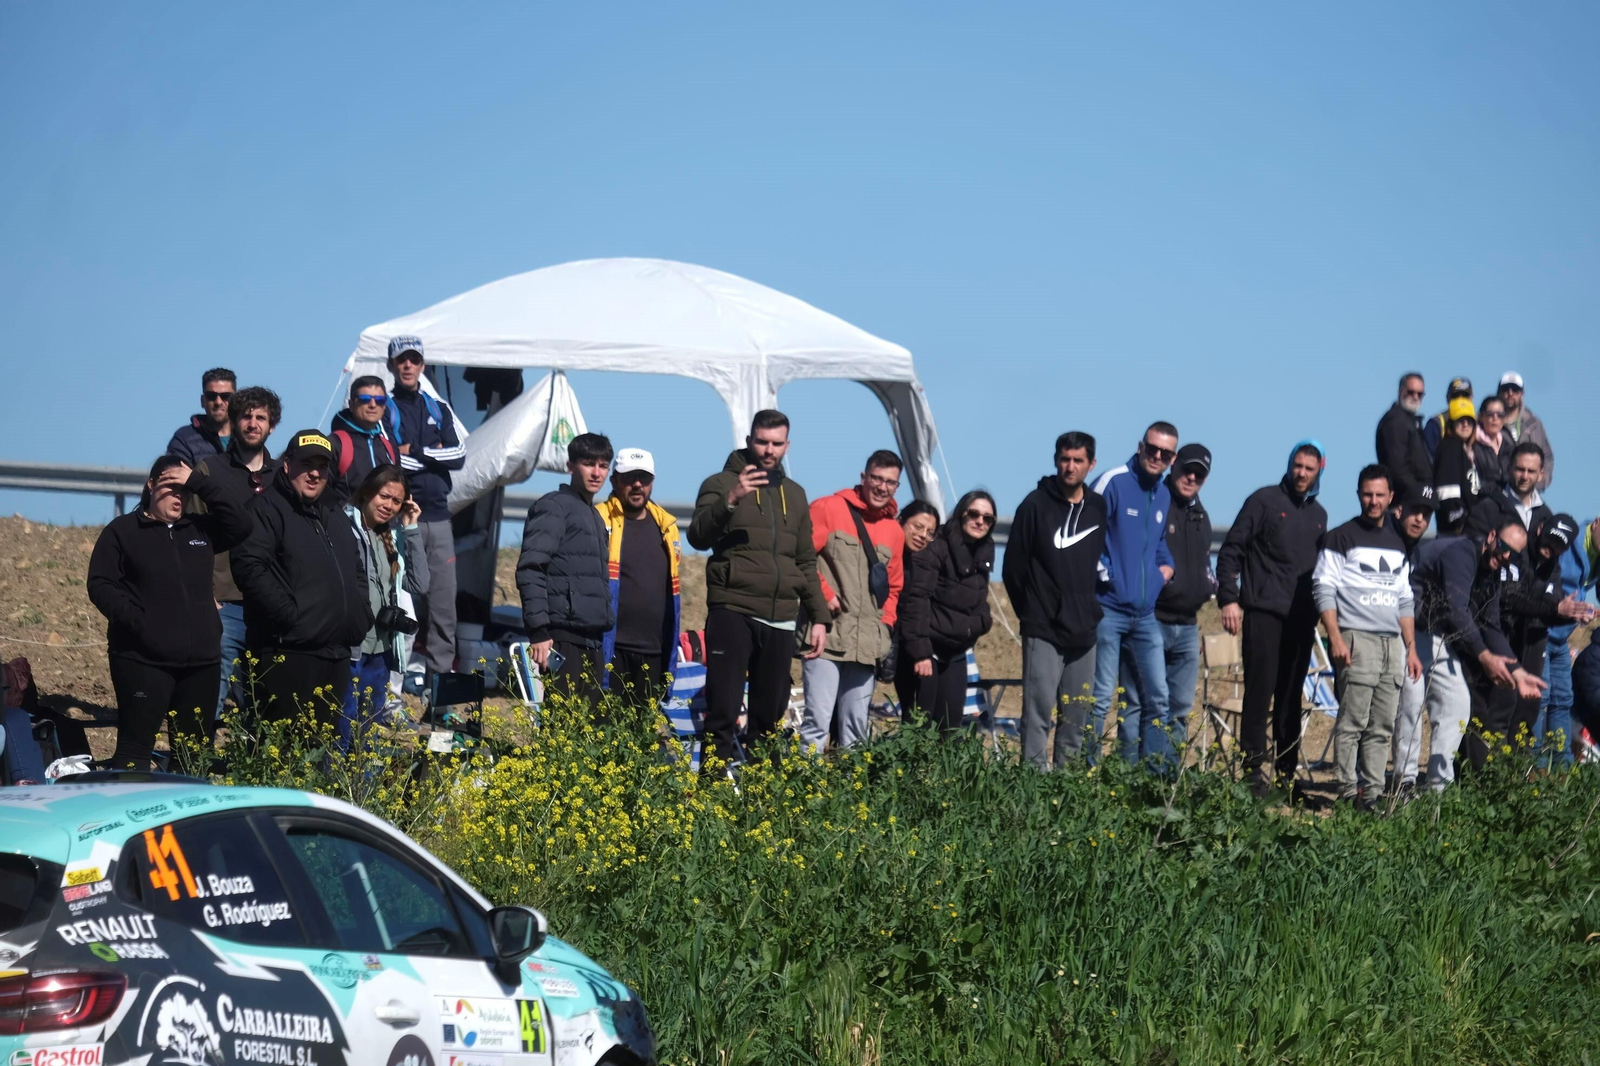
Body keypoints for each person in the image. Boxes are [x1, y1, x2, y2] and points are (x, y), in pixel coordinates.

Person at [687, 410, 830, 774]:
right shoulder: (720, 482)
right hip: (733, 609)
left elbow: (805, 561)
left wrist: (819, 617)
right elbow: (698, 536)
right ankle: (711, 798)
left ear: (787, 445)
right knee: (723, 710)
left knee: (768, 719)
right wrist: (731, 499)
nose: (769, 450)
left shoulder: (795, 495)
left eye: (776, 443)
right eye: (762, 442)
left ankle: (761, 804)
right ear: (749, 440)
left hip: (781, 617)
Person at [88, 455, 252, 769]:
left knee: (192, 760)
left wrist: (199, 482)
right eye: (171, 487)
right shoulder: (123, 531)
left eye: (184, 490)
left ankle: (183, 819)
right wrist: (140, 623)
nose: (179, 496)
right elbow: (101, 584)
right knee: (134, 755)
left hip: (201, 664)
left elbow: (242, 523)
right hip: (142, 661)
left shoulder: (199, 530)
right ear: (150, 485)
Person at [230, 430, 372, 727]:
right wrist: (291, 618)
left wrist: (359, 616)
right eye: (307, 464)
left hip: (335, 654)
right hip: (287, 653)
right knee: (284, 754)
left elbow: (357, 570)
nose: (314, 473)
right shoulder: (265, 509)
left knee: (320, 757)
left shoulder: (334, 514)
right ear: (286, 465)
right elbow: (250, 568)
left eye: (322, 466)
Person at [1217, 441, 1328, 796]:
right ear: (1289, 465)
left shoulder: (1319, 516)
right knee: (1259, 694)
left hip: (1301, 620)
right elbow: (1231, 550)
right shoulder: (1263, 501)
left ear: (1319, 472)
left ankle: (1285, 776)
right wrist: (1229, 599)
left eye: (1309, 469)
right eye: (1297, 465)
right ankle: (1252, 774)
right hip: (1263, 612)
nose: (1301, 473)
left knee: (1290, 699)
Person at [1410, 507, 1547, 789]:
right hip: (1407, 629)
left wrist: (1517, 670)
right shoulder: (1462, 553)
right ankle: (1404, 783)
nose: (1506, 556)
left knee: (1457, 704)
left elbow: (1491, 624)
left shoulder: (1493, 569)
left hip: (1435, 635)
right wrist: (1484, 657)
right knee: (1409, 709)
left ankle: (1438, 788)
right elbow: (1456, 610)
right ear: (1492, 536)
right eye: (1504, 548)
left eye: (1513, 554)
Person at [1312, 464, 1421, 809]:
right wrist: (1336, 637)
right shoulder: (1341, 537)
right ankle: (1347, 791)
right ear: (1359, 495)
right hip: (1356, 639)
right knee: (1353, 721)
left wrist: (1412, 648)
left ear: (1391, 498)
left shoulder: (1398, 544)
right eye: (1367, 494)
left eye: (1379, 495)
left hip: (1393, 646)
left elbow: (1405, 599)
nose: (1373, 501)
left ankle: (1371, 796)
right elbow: (1323, 588)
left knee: (1382, 726)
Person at [1002, 431, 1108, 769]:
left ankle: (1067, 795)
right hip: (1043, 629)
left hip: (1084, 632)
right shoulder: (1034, 505)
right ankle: (1030, 794)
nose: (1070, 466)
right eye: (1065, 459)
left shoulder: (1097, 507)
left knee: (1076, 719)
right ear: (1055, 460)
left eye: (1078, 460)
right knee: (1037, 716)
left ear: (1091, 464)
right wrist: (1033, 614)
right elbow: (1013, 570)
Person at [799, 451, 907, 752]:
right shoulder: (827, 508)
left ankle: (848, 796)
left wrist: (884, 628)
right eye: (876, 478)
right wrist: (825, 595)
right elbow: (802, 558)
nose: (882, 487)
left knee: (856, 731)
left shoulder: (895, 531)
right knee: (817, 724)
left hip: (867, 645)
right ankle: (803, 795)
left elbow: (895, 588)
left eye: (890, 482)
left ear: (897, 487)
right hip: (826, 636)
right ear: (863, 478)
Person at [1118, 443, 1216, 762]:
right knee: (1138, 702)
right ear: (1173, 465)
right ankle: (1129, 776)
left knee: (1179, 709)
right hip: (1151, 619)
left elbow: (1204, 566)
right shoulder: (1155, 503)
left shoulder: (1201, 516)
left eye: (1199, 474)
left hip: (1187, 626)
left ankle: (1165, 781)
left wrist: (1205, 591)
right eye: (1187, 469)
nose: (1191, 477)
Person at [1090, 423, 1179, 767]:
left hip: (1145, 616)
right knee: (1100, 699)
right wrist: (1107, 575)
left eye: (1166, 453)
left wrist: (1164, 572)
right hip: (1108, 610)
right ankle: (1086, 775)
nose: (1157, 456)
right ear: (1141, 446)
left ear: (1172, 458)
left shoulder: (1164, 494)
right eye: (1152, 448)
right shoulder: (1112, 482)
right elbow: (1086, 533)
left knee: (1158, 699)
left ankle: (1150, 779)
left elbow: (1158, 545)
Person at [191, 385, 281, 721]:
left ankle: (252, 773)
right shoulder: (209, 471)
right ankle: (193, 769)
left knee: (261, 707)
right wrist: (205, 595)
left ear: (272, 425)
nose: (253, 423)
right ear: (234, 420)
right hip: (223, 602)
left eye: (261, 417)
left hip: (268, 606)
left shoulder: (283, 475)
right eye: (246, 416)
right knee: (210, 697)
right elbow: (190, 536)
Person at [382, 336, 465, 679]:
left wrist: (416, 451)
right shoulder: (383, 407)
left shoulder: (438, 407)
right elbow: (390, 459)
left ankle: (440, 696)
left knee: (444, 608)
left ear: (422, 366)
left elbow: (459, 456)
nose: (408, 366)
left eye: (414, 360)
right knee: (400, 604)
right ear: (392, 366)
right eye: (402, 360)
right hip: (399, 520)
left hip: (440, 518)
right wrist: (433, 454)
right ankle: (391, 690)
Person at [516, 433, 616, 705]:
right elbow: (531, 568)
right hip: (562, 638)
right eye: (588, 463)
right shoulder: (554, 506)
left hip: (592, 637)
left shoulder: (594, 516)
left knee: (585, 733)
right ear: (571, 466)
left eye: (603, 465)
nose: (597, 472)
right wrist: (539, 631)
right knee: (561, 724)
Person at [342, 466, 428, 750]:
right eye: (384, 496)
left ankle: (362, 792)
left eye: (396, 501)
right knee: (343, 729)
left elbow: (419, 583)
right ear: (367, 491)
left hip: (380, 650)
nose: (389, 506)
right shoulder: (343, 526)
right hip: (349, 648)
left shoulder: (389, 536)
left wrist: (411, 527)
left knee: (366, 734)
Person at [896, 491, 995, 735]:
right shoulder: (936, 546)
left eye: (987, 518)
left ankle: (943, 775)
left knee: (950, 731)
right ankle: (907, 773)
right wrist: (920, 652)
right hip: (925, 652)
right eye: (973, 514)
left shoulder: (983, 553)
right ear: (961, 514)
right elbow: (916, 598)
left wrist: (981, 623)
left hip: (956, 652)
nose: (980, 521)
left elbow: (978, 600)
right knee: (918, 727)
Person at [596, 448, 682, 708]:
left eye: (643, 478)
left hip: (653, 651)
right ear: (614, 481)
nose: (637, 485)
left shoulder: (667, 527)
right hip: (611, 649)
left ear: (652, 482)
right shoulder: (597, 519)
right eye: (629, 477)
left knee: (641, 736)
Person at [1535, 514, 1598, 767]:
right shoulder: (1568, 542)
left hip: (1562, 637)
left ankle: (1562, 767)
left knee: (1563, 699)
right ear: (1597, 523)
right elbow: (1542, 580)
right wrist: (1562, 605)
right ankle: (1535, 765)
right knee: (1542, 699)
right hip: (1541, 632)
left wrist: (1585, 610)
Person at [1389, 486, 1438, 796]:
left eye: (1427, 514)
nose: (1420, 519)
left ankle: (1406, 778)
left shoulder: (1421, 550)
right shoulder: (1386, 540)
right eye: (1415, 511)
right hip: (1377, 635)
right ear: (1398, 510)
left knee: (1413, 698)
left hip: (1410, 638)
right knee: (1405, 699)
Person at [893, 500, 943, 718]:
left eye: (930, 532)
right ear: (901, 522)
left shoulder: (920, 561)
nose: (923, 535)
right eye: (918, 527)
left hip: (905, 643)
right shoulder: (889, 555)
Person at [330, 375, 398, 501]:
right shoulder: (336, 444)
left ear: (384, 407)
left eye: (380, 400)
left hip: (385, 520)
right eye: (365, 399)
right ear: (351, 404)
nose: (373, 405)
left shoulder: (388, 446)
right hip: (345, 519)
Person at [1432, 398, 1496, 533]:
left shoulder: (1467, 450)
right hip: (1455, 532)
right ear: (1451, 424)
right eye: (1460, 420)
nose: (1465, 424)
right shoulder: (1450, 446)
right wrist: (1460, 524)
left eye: (1469, 420)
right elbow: (1446, 492)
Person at [1375, 372, 1432, 500]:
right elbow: (1397, 469)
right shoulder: (1395, 422)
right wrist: (1421, 492)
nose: (1416, 397)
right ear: (1401, 391)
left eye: (1420, 394)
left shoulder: (1411, 422)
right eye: (1411, 392)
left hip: (1415, 500)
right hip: (1403, 503)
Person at [166, 368, 236, 466]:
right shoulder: (184, 438)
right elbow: (176, 477)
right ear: (202, 401)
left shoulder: (247, 437)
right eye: (211, 396)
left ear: (235, 400)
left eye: (226, 396)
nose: (218, 402)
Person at [1498, 372, 1553, 490]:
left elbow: (1547, 457)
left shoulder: (1534, 424)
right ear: (1499, 392)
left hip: (1530, 494)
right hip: (1500, 492)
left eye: (1515, 390)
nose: (1510, 393)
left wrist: (1540, 483)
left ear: (1522, 394)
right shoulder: (1490, 423)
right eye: (1506, 389)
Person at [1501, 442, 1552, 531]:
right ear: (1509, 469)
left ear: (1540, 475)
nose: (1525, 477)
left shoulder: (1546, 518)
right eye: (1520, 469)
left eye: (1531, 471)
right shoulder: (1489, 504)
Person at [1422, 377, 1472, 461]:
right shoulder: (1436, 424)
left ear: (1471, 398)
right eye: (1455, 396)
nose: (1460, 400)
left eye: (1465, 396)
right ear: (1447, 398)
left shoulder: (1480, 423)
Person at [1474, 395, 1511, 496]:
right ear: (1481, 417)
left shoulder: (1509, 446)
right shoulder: (1472, 445)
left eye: (1500, 415)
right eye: (1490, 414)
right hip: (1481, 503)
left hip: (1506, 503)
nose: (1495, 418)